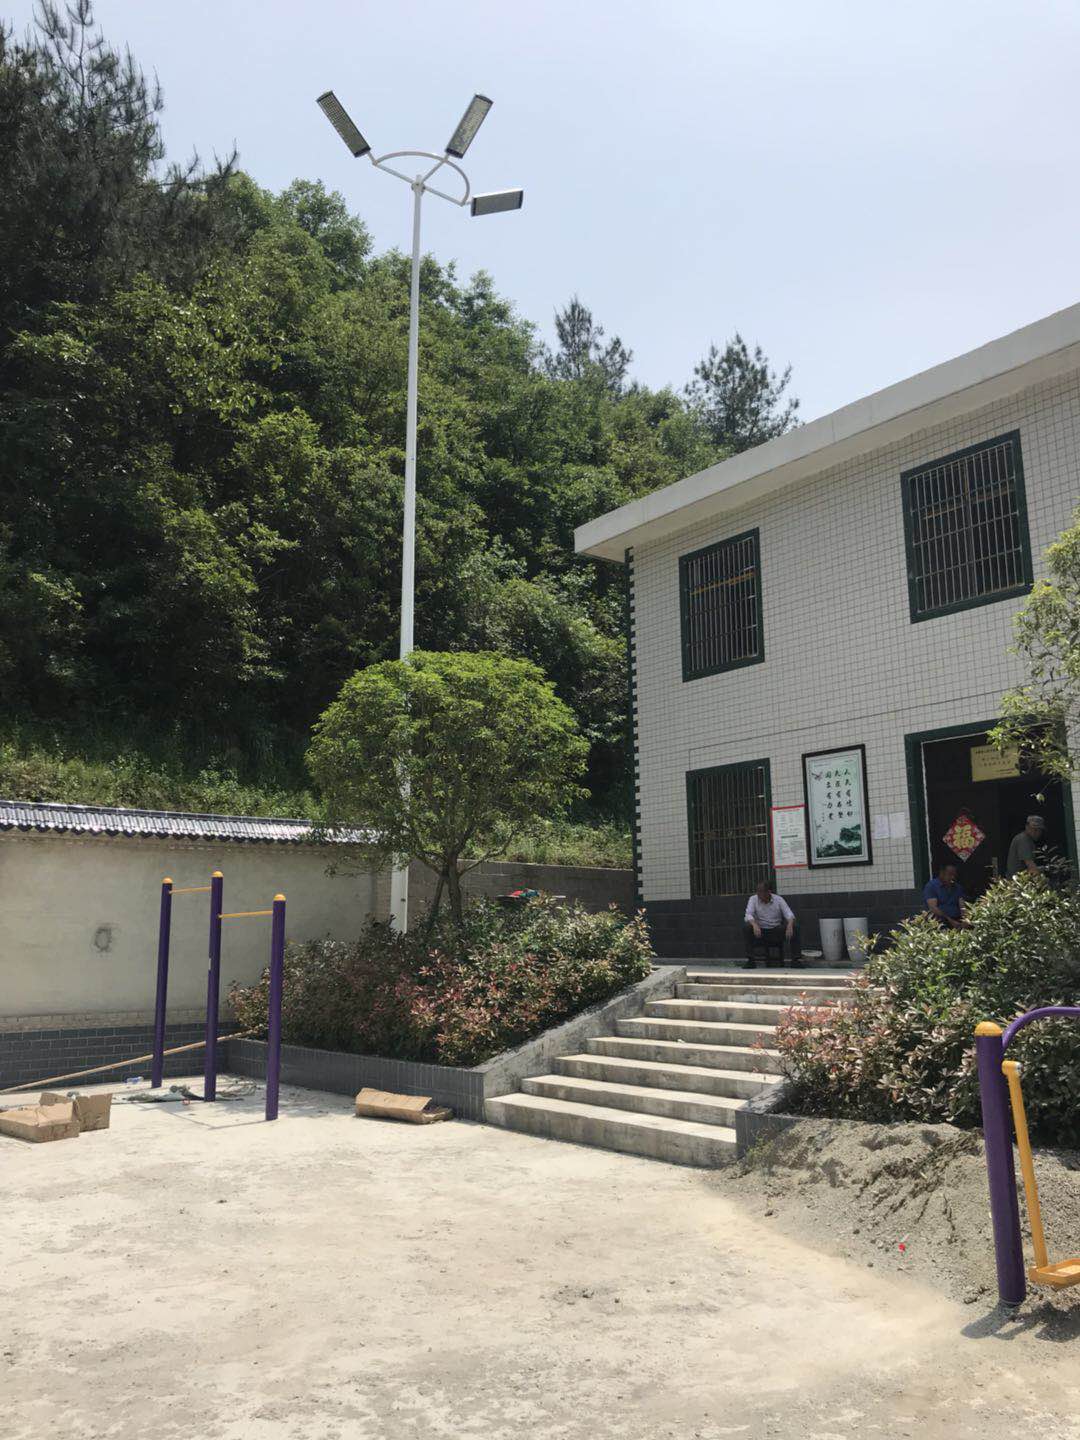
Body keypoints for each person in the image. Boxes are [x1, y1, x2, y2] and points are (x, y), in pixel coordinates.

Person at [742, 880, 804, 968]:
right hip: (760, 931)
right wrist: (754, 925)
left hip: (776, 930)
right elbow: (748, 914)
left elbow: (789, 914)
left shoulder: (778, 899)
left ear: (769, 892)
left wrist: (790, 925)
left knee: (795, 927)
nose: (758, 894)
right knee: (747, 927)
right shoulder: (753, 899)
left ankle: (796, 960)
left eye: (761, 891)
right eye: (757, 891)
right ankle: (751, 961)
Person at [923, 862, 969, 929]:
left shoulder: (957, 887)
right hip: (938, 921)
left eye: (954, 875)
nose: (952, 877)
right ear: (942, 873)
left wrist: (965, 919)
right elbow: (933, 908)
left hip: (957, 919)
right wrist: (950, 921)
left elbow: (962, 906)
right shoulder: (931, 886)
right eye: (950, 874)